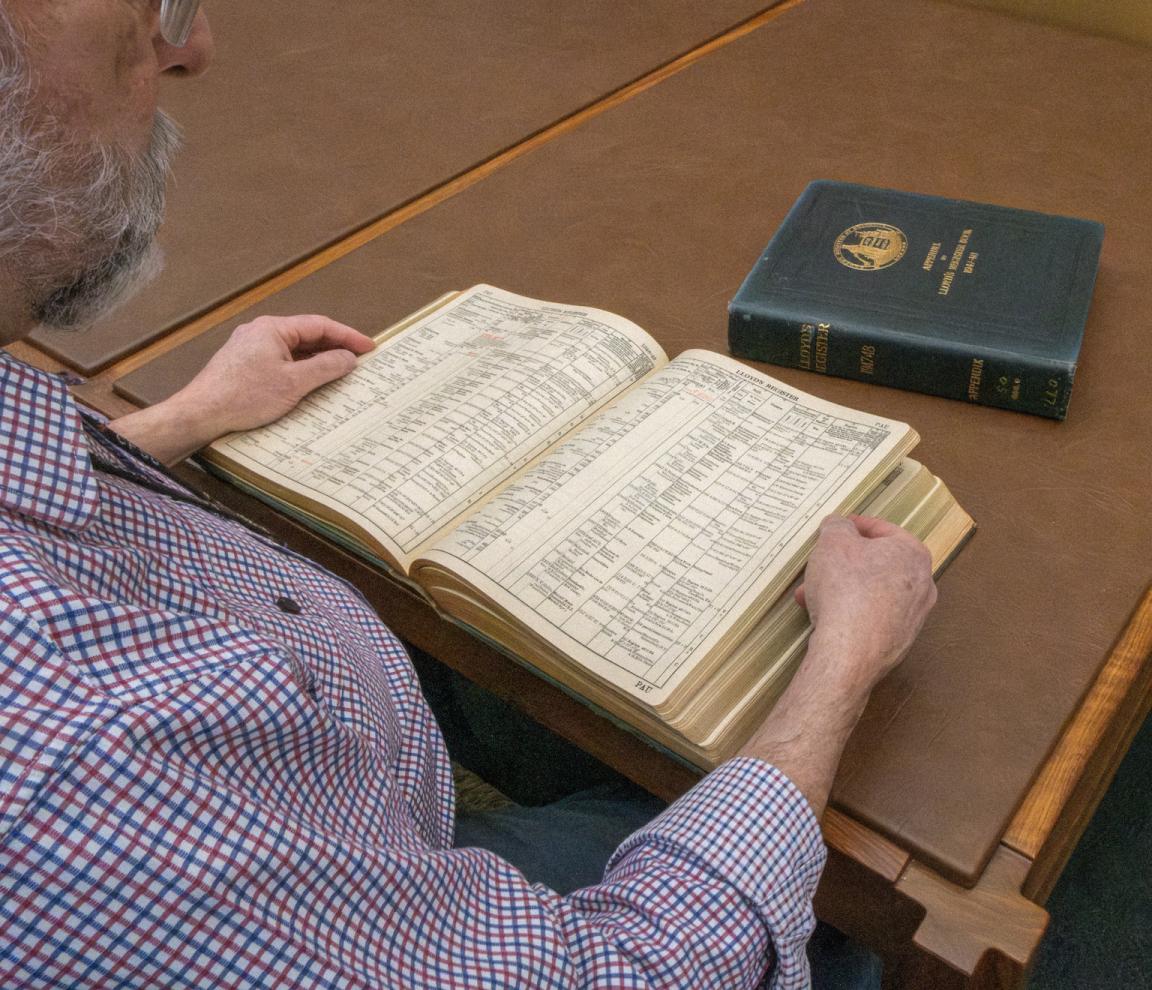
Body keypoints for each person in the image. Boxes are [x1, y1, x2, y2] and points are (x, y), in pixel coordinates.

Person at [0, 2, 937, 987]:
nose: (191, 47)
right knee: (841, 905)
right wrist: (839, 670)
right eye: (143, 12)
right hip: (427, 887)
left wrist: (177, 421)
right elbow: (636, 972)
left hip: (340, 722)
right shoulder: (78, 765)